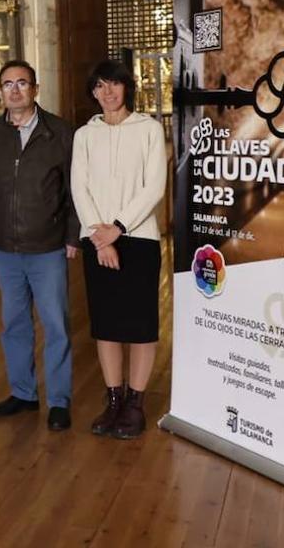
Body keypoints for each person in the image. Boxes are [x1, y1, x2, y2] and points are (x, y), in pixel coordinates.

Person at [0, 60, 79, 432]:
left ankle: (59, 400)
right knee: (14, 324)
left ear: (35, 89)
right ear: (0, 91)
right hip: (5, 249)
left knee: (55, 325)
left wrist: (72, 236)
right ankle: (23, 392)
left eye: (22, 83)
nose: (15, 90)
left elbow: (74, 190)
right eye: (8, 84)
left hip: (48, 246)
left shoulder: (61, 133)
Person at [71, 59, 167, 439]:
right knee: (107, 325)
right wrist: (100, 235)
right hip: (96, 238)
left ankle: (136, 402)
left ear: (127, 87)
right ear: (92, 92)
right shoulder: (85, 135)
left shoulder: (148, 129)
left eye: (114, 84)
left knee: (141, 326)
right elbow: (80, 188)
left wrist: (119, 229)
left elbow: (154, 186)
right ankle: (113, 400)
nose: (107, 92)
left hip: (138, 238)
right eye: (99, 86)